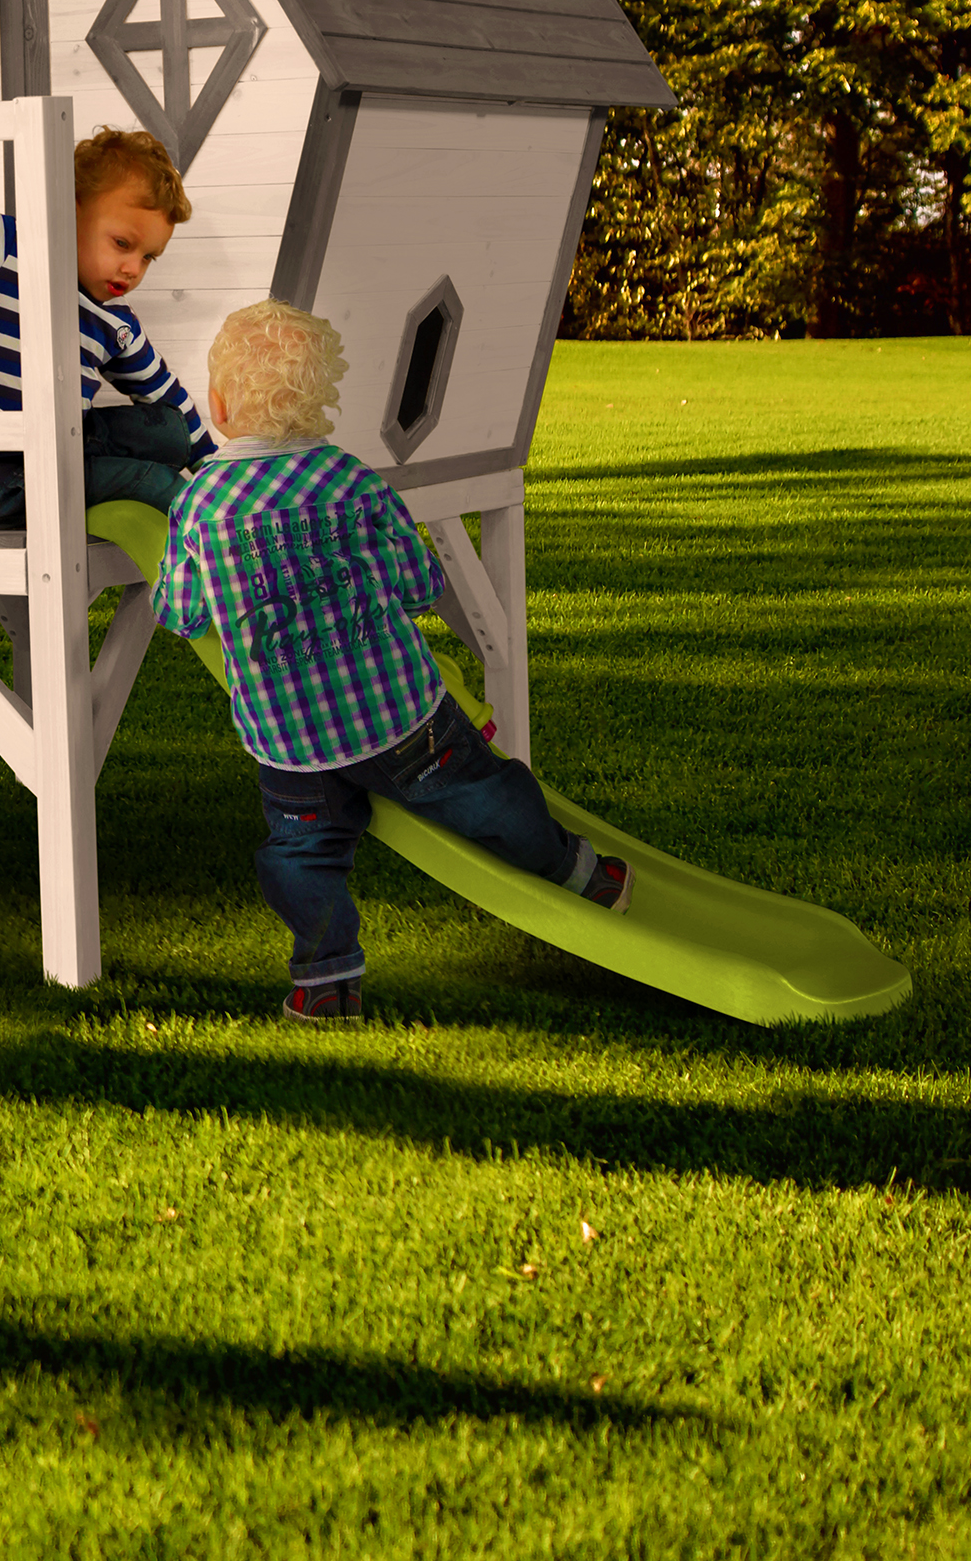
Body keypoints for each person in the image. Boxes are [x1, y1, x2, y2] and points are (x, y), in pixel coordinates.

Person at [155, 297, 630, 1022]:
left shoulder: (202, 503)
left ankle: (326, 979)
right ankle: (581, 873)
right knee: (485, 794)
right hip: (401, 716)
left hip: (293, 740)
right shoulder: (352, 478)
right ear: (322, 406)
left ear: (217, 405)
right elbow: (418, 582)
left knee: (300, 853)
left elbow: (180, 612)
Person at [0, 109, 210, 529]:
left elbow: (164, 392)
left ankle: (213, 498)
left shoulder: (115, 321)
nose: (132, 268)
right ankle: (213, 541)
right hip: (3, 479)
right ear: (70, 210)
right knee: (160, 483)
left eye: (147, 257)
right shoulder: (10, 249)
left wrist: (215, 471)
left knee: (173, 430)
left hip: (63, 454)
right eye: (122, 243)